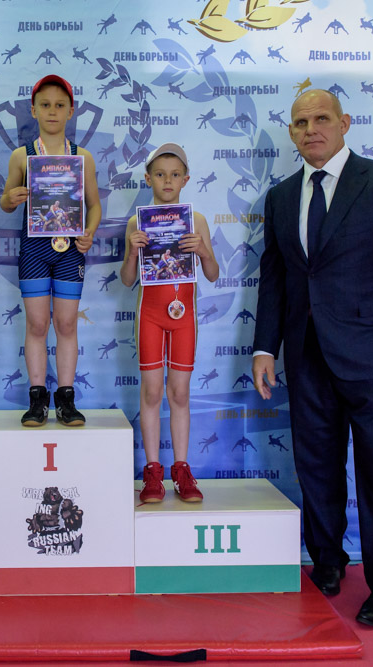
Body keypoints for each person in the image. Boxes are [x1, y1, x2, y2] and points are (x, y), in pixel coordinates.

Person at [252, 89, 373, 628]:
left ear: (344, 123)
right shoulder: (281, 197)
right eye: (300, 122)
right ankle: (328, 562)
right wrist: (265, 347)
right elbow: (276, 279)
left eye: (321, 119)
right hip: (306, 354)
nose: (310, 129)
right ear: (291, 132)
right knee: (316, 467)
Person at [0, 74, 102, 427]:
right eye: (45, 105)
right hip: (34, 249)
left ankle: (66, 400)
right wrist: (11, 198)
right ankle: (37, 398)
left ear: (71, 111)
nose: (52, 111)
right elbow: (5, 201)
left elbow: (94, 205)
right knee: (38, 323)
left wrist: (89, 232)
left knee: (67, 323)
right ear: (34, 110)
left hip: (70, 249)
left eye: (60, 105)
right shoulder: (22, 156)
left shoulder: (82, 157)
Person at [121, 144, 219, 503]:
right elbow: (127, 280)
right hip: (150, 315)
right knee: (151, 393)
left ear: (186, 180)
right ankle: (152, 471)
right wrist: (133, 252)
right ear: (148, 179)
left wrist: (203, 251)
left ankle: (181, 469)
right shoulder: (137, 223)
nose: (167, 181)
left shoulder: (198, 221)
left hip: (184, 318)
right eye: (160, 174)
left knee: (179, 393)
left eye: (175, 175)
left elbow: (213, 274)